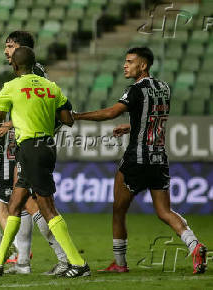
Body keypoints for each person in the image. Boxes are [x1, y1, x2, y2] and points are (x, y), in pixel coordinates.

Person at [73, 47, 207, 274]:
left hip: (136, 158)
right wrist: (131, 126)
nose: (125, 65)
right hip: (158, 157)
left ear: (142, 65)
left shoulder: (135, 90)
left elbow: (110, 113)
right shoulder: (164, 87)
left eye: (130, 62)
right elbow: (152, 118)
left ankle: (120, 263)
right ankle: (194, 245)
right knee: (164, 211)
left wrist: (77, 116)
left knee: (118, 209)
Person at [0, 46, 90, 278]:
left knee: (47, 208)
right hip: (47, 147)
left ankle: (78, 263)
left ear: (15, 66)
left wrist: (9, 116)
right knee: (15, 205)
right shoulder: (51, 87)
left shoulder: (10, 87)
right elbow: (68, 120)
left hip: (29, 148)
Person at [0, 31, 70, 275]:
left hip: (31, 145)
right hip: (25, 145)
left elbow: (48, 113)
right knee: (20, 202)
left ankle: (66, 258)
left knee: (34, 203)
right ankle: (23, 262)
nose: (6, 51)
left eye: (10, 46)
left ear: (22, 50)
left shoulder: (32, 75)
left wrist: (11, 124)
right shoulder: (35, 73)